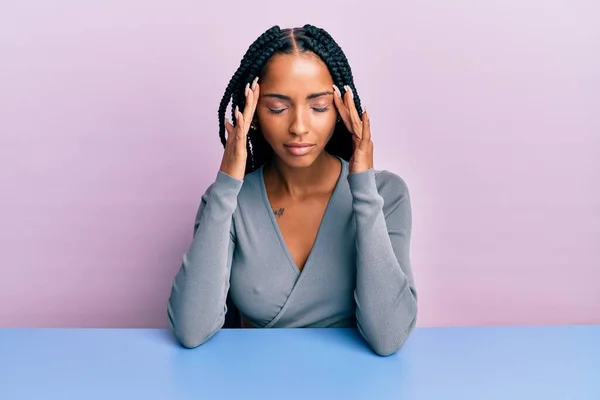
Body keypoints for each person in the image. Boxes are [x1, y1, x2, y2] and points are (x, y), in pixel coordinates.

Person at [167, 24, 417, 356]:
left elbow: (388, 336)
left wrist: (363, 188)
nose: (299, 127)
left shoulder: (387, 193)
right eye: (277, 108)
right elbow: (191, 329)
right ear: (253, 115)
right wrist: (227, 183)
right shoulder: (228, 201)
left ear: (342, 111)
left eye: (319, 107)